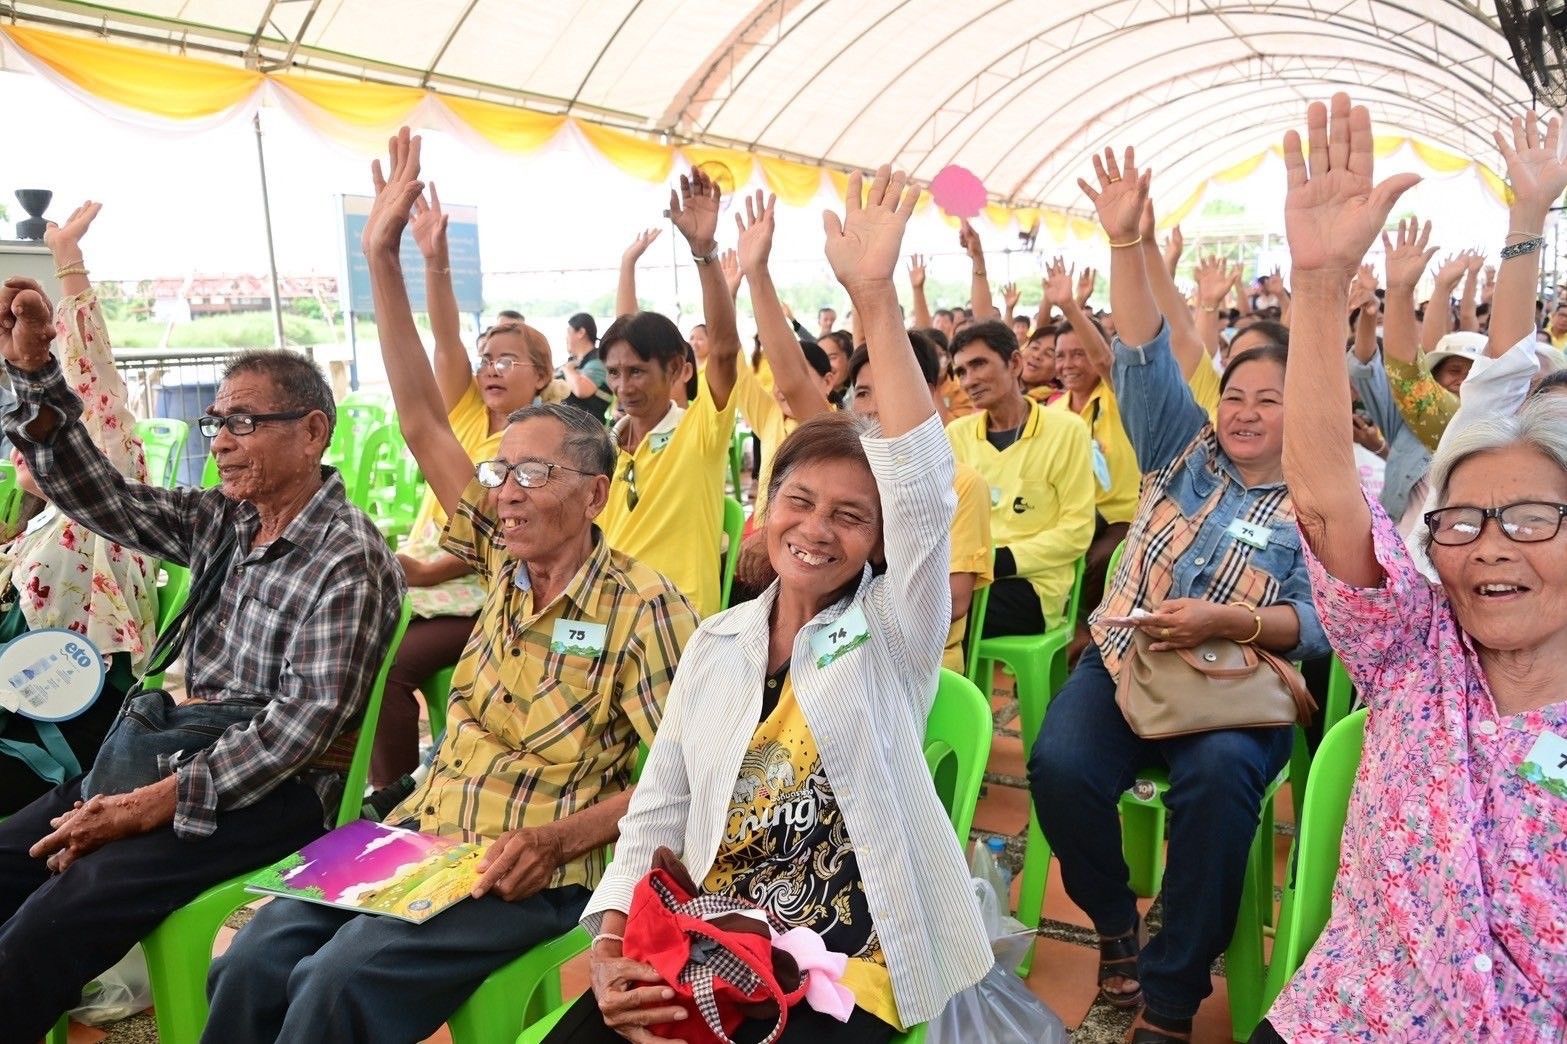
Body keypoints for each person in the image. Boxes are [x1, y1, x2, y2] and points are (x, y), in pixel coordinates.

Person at [206, 128, 699, 1044]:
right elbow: (421, 417)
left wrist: (556, 843)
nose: (502, 492)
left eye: (530, 477)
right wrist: (380, 258)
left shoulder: (643, 609)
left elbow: (675, 780)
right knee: (254, 957)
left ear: (592, 495)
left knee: (330, 986)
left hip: (531, 869)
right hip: (423, 836)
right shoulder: (503, 560)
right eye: (498, 474)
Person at [548, 164, 991, 1044]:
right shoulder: (719, 641)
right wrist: (609, 947)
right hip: (712, 939)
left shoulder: (892, 630)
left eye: (849, 516)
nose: (818, 530)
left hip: (843, 963)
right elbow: (659, 805)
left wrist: (872, 299)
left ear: (877, 539)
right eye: (799, 503)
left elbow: (922, 488)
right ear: (764, 507)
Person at [0, 278, 402, 1042]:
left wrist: (147, 805)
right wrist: (32, 374)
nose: (216, 438)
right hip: (166, 753)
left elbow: (300, 730)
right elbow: (101, 498)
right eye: (216, 420)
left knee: (61, 909)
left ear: (312, 431)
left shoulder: (348, 558)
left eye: (241, 422)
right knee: (8, 857)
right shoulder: (226, 518)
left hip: (268, 792)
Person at [1267, 94, 1566, 1044]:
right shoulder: (1415, 649)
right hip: (1350, 1017)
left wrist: (1525, 219)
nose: (1489, 546)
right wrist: (1318, 290)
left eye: (1529, 520)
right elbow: (1321, 498)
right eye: (1462, 522)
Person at [1028, 144, 1327, 1044]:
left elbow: (1327, 624)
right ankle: (1117, 926)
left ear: (1302, 403)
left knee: (1223, 779)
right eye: (1233, 393)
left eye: (1268, 399)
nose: (1241, 411)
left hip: (1234, 686)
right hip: (1131, 663)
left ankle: (1166, 999)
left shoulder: (1326, 498)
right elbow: (1148, 353)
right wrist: (1126, 245)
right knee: (1060, 766)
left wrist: (1233, 619)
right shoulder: (1180, 445)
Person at [370, 186, 559, 788]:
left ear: (542, 374)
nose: (490, 368)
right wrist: (430, 260)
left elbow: (511, 542)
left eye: (507, 359)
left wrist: (427, 572)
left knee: (391, 665)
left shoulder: (551, 440)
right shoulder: (468, 418)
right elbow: (444, 339)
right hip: (430, 575)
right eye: (486, 359)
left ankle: (393, 791)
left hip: (483, 586)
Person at [0, 202, 158, 815]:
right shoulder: (29, 528)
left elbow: (96, 380)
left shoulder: (105, 512)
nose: (23, 446)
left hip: (70, 732)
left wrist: (68, 262)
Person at [598, 168, 741, 618]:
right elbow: (627, 337)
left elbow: (723, 349)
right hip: (606, 611)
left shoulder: (698, 432)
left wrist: (704, 253)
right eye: (614, 374)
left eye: (637, 373)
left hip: (674, 619)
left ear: (678, 368)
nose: (623, 387)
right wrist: (627, 265)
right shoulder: (606, 446)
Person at [846, 335, 992, 673]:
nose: (870, 407)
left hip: (919, 662)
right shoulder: (852, 482)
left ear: (922, 393)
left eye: (885, 391)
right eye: (862, 393)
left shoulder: (962, 485)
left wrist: (832, 642)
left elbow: (952, 602)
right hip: (846, 651)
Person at [946, 318, 1094, 638]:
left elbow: (1078, 530)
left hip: (1033, 584)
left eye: (978, 364)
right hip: (967, 576)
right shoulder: (957, 434)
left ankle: (952, 688)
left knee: (935, 617)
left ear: (1014, 363)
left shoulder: (1066, 431)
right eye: (961, 372)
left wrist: (1002, 561)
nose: (969, 380)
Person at [560, 311, 613, 422]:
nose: (565, 338)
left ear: (581, 332)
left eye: (568, 332)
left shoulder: (598, 360)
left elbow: (582, 390)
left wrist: (568, 369)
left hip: (587, 428)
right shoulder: (575, 361)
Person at [1020, 325, 1062, 403]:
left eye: (1048, 354)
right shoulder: (999, 385)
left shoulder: (1058, 404)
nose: (1036, 356)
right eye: (1034, 347)